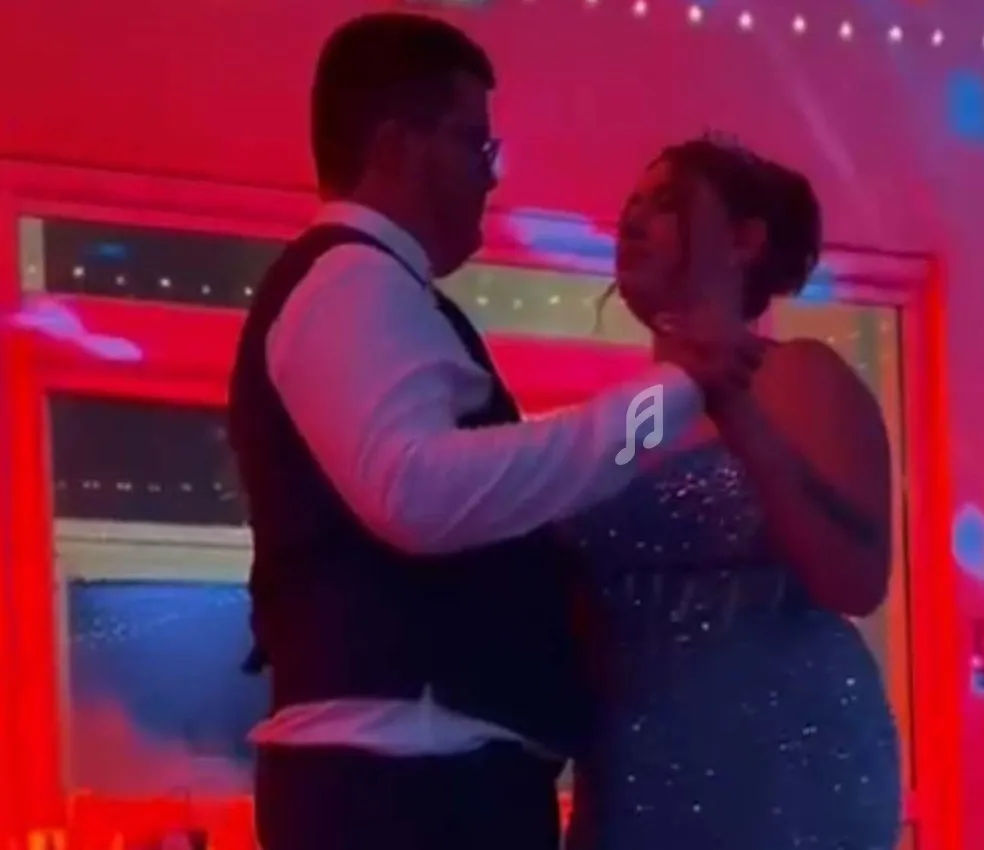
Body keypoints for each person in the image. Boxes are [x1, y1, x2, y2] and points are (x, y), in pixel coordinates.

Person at [226, 13, 764, 850]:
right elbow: (417, 492)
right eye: (474, 144)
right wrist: (667, 400)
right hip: (405, 782)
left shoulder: (376, 287)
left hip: (418, 776)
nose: (489, 175)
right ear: (395, 146)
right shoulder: (349, 279)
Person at [564, 139, 902, 850]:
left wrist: (736, 411)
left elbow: (856, 577)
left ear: (744, 240)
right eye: (630, 207)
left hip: (784, 757)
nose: (634, 221)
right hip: (635, 769)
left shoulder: (798, 375)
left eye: (666, 203)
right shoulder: (635, 419)